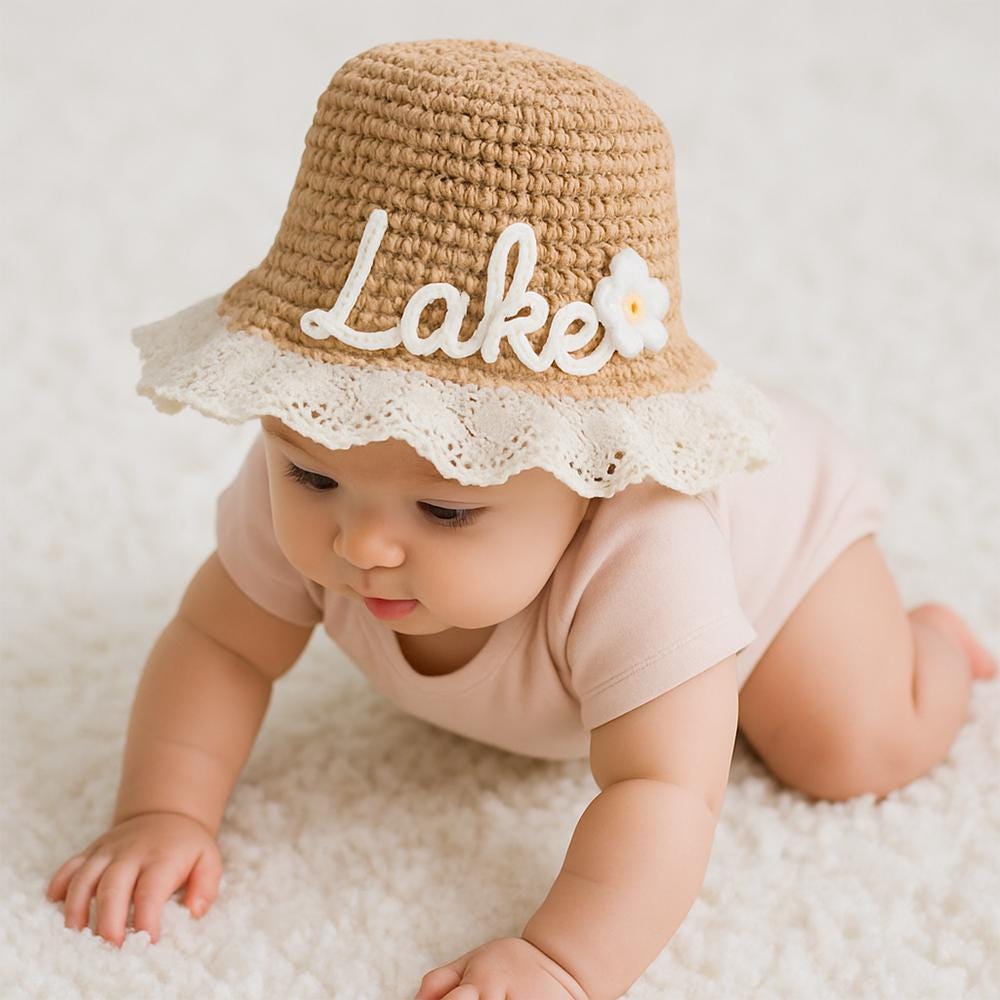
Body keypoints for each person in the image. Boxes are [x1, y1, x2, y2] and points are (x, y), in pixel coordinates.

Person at [45, 38, 996, 1000]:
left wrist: (564, 963)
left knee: (854, 749)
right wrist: (161, 812)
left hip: (786, 553)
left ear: (591, 472)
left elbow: (661, 790)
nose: (361, 544)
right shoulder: (322, 458)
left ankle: (934, 643)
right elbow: (220, 643)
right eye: (314, 477)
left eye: (449, 506)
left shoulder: (649, 554)